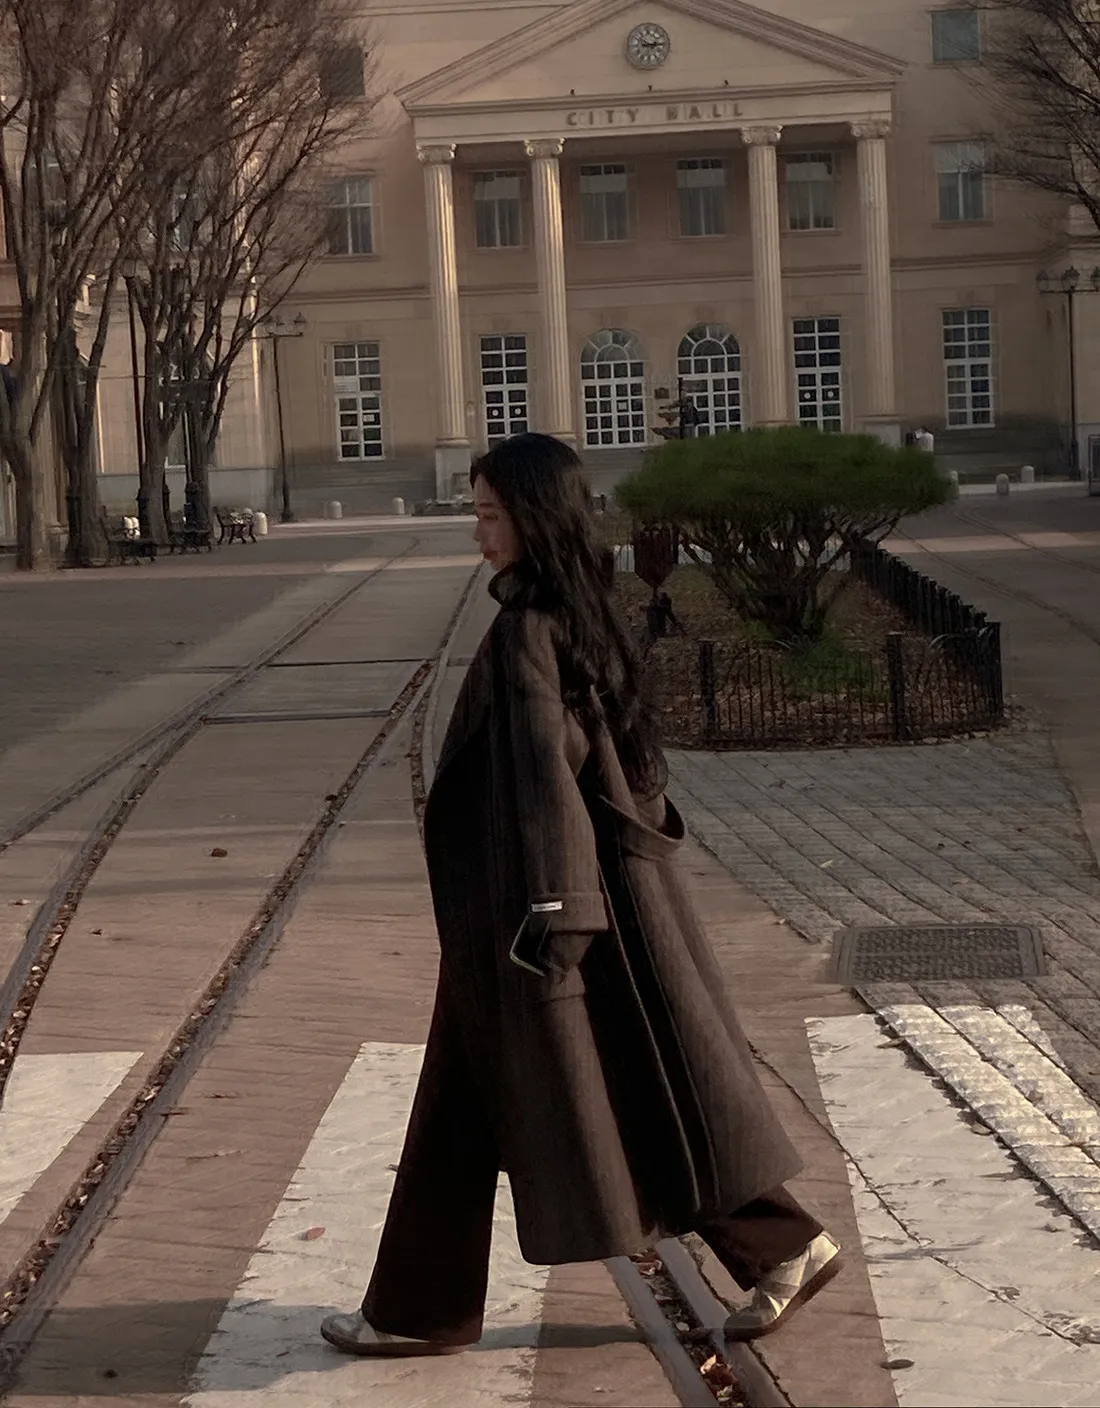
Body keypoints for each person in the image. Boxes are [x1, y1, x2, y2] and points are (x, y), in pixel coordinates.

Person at [320, 433, 841, 1359]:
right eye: (476, 513)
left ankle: (418, 1311)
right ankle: (416, 1308)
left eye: (490, 514)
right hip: (578, 905)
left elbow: (541, 777)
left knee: (605, 1089)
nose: (478, 533)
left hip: (540, 919)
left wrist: (555, 917)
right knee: (534, 1097)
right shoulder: (580, 609)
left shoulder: (526, 629)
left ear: (533, 517)